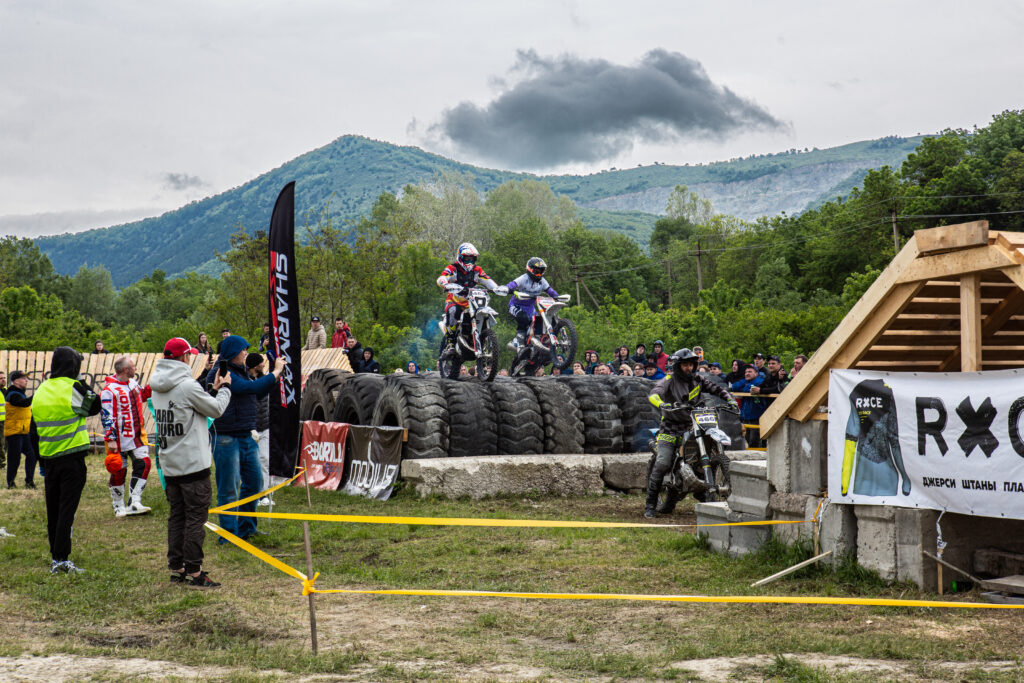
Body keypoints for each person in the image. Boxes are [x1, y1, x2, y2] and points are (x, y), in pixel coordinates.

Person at [151, 337, 232, 587]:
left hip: (171, 462)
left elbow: (191, 407)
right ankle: (195, 571)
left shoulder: (157, 386)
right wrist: (226, 388)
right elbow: (216, 410)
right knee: (196, 517)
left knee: (177, 516)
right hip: (193, 465)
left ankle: (177, 567)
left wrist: (213, 390)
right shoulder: (186, 385)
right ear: (185, 358)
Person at [205, 335, 286, 542]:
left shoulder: (240, 371)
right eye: (242, 350)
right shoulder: (222, 373)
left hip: (245, 434)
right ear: (232, 352)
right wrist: (275, 373)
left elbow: (256, 394)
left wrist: (271, 378)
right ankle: (228, 534)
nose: (245, 353)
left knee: (254, 482)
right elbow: (248, 389)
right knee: (229, 487)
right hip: (225, 436)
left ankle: (247, 527)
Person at [645, 348, 737, 518]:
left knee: (704, 453)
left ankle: (702, 488)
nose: (689, 368)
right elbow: (654, 393)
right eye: (685, 365)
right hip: (671, 426)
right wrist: (661, 404)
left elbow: (716, 388)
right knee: (663, 462)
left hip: (692, 424)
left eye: (691, 365)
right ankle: (650, 504)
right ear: (679, 366)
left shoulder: (698, 379)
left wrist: (729, 399)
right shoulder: (669, 379)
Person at [34, 347, 101, 573]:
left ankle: (55, 554)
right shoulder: (72, 387)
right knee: (66, 510)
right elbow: (95, 405)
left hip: (49, 457)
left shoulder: (42, 389)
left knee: (53, 509)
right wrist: (81, 380)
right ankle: (61, 559)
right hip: (71, 458)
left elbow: (34, 430)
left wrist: (40, 461)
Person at [100, 356, 153, 517]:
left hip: (137, 436)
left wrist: (155, 384)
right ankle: (118, 506)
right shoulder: (109, 390)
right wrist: (111, 438)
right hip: (119, 439)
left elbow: (143, 395)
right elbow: (106, 416)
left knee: (144, 464)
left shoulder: (133, 383)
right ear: (125, 370)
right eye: (133, 366)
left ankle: (134, 502)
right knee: (118, 470)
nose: (135, 369)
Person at [436, 243, 506, 353]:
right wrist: (445, 283)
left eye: (472, 259)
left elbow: (487, 280)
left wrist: (497, 288)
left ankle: (484, 338)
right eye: (467, 259)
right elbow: (443, 277)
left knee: (484, 312)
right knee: (453, 311)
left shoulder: (477, 270)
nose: (469, 262)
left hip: (471, 302)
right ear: (460, 257)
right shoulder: (453, 268)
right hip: (455, 300)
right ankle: (450, 342)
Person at [503, 257, 556, 351]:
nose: (539, 274)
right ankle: (518, 341)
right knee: (523, 318)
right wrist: (507, 289)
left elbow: (550, 291)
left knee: (540, 320)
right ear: (530, 269)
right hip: (516, 306)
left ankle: (536, 340)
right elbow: (512, 284)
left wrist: (557, 297)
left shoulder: (542, 281)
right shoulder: (523, 278)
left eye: (541, 271)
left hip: (530, 308)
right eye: (536, 271)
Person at [246, 354, 272, 508]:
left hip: (265, 425)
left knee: (265, 459)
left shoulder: (264, 381)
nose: (263, 364)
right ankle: (251, 493)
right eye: (261, 362)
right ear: (254, 365)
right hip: (250, 428)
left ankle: (264, 494)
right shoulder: (245, 382)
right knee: (251, 462)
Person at [5, 370, 36, 489]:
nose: (26, 380)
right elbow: (23, 404)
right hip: (14, 432)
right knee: (14, 458)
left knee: (32, 456)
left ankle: (29, 481)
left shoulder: (20, 392)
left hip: (23, 431)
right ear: (16, 381)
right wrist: (35, 395)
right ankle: (11, 482)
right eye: (23, 378)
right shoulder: (13, 394)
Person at [731, 364, 767, 447]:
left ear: (756, 373)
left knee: (753, 441)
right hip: (745, 416)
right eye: (746, 372)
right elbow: (734, 387)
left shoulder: (760, 381)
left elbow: (751, 389)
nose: (747, 373)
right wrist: (745, 382)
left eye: (750, 372)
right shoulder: (746, 381)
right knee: (745, 440)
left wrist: (745, 386)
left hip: (756, 416)